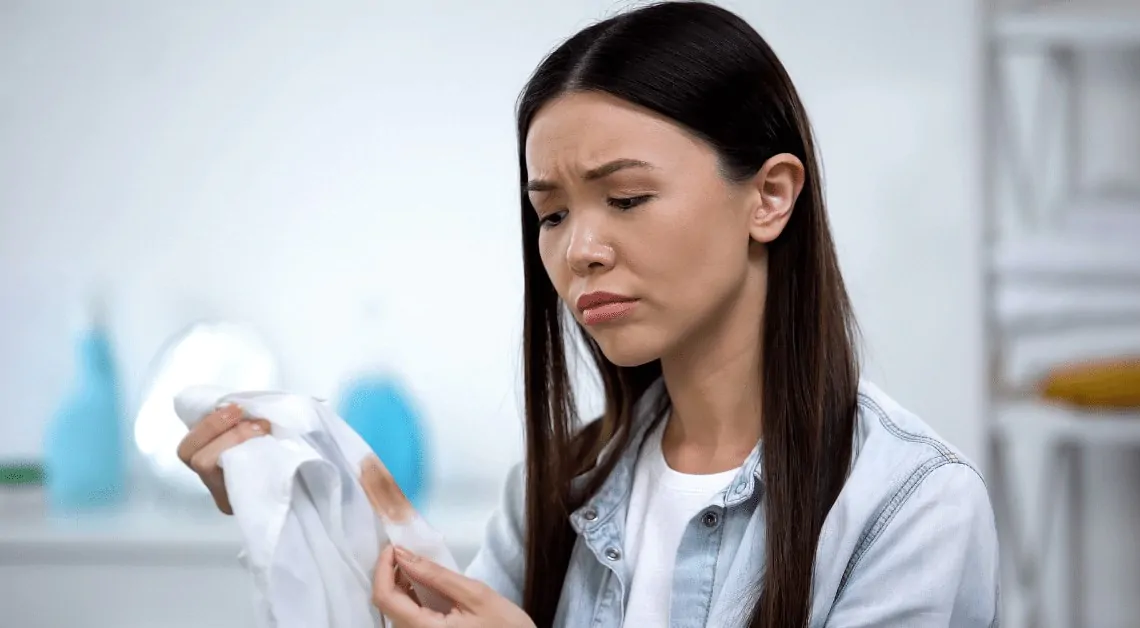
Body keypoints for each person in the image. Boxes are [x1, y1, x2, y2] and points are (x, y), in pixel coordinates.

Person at [177, 2, 1001, 626]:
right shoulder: (562, 487)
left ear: (770, 197)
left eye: (627, 197)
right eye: (552, 214)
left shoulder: (913, 505)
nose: (580, 251)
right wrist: (288, 505)